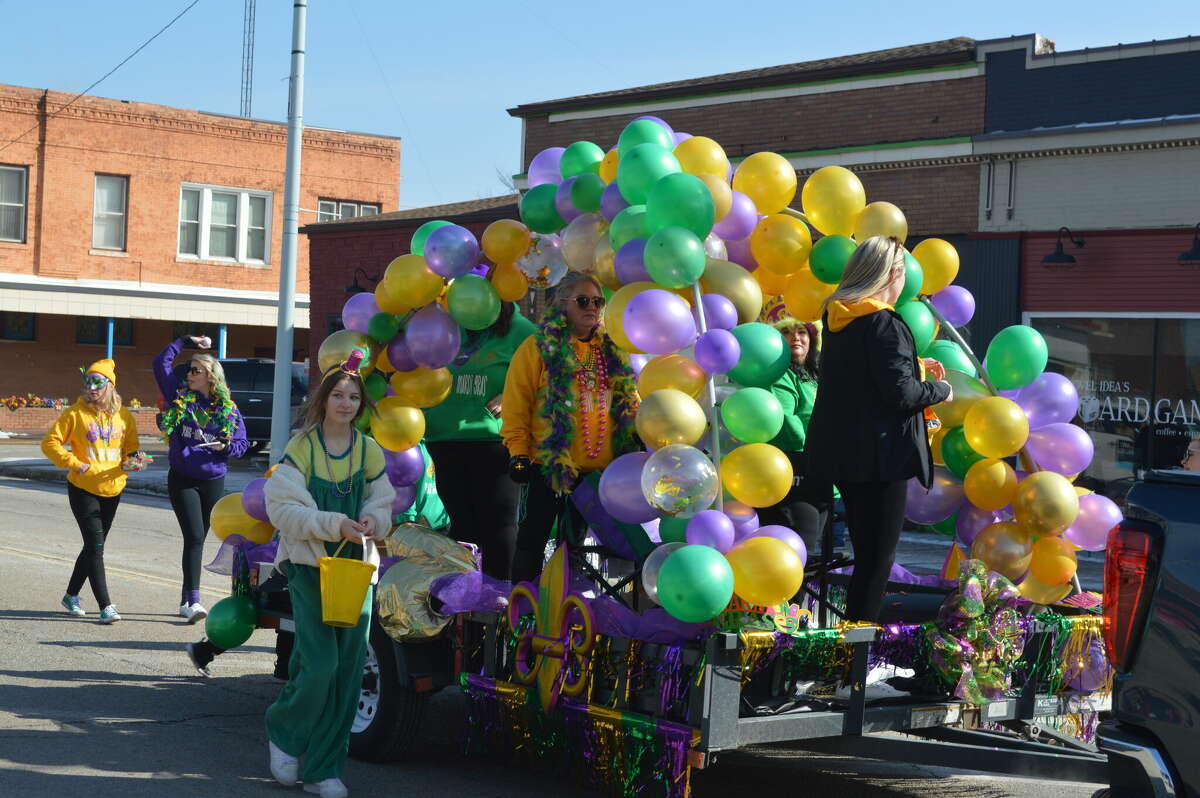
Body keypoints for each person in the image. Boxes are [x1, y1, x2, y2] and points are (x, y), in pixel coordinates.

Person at [261, 350, 394, 798]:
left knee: (348, 671)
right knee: (320, 666)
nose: (345, 403)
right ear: (323, 399)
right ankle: (284, 733)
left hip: (356, 572)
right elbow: (283, 509)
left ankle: (322, 768)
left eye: (353, 396)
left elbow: (382, 499)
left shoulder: (369, 450)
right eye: (338, 394)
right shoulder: (301, 448)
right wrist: (332, 523)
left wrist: (375, 520)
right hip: (307, 568)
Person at [805, 236, 954, 623]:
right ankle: (853, 658)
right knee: (877, 562)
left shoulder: (838, 318)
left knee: (865, 554)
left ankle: (847, 655)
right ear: (894, 273)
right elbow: (900, 394)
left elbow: (864, 378)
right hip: (882, 459)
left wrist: (915, 365)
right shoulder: (885, 323)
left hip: (844, 455)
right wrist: (941, 389)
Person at [502, 272, 640, 583]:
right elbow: (516, 404)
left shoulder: (612, 350)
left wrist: (639, 434)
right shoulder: (538, 347)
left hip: (597, 473)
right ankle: (524, 610)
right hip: (547, 466)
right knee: (533, 540)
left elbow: (631, 403)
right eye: (583, 301)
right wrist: (519, 452)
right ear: (562, 305)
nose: (592, 307)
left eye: (598, 301)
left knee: (580, 549)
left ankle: (575, 609)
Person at [424, 300, 536, 579]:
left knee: (500, 525)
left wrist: (514, 394)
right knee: (462, 527)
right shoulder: (444, 324)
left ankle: (498, 604)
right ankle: (465, 608)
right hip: (445, 439)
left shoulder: (520, 329)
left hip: (496, 442)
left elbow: (549, 374)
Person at [155, 335, 249, 623]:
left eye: (195, 370)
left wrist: (225, 447)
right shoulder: (180, 398)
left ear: (210, 377)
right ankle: (194, 601)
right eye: (189, 369)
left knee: (200, 538)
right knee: (194, 536)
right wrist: (185, 341)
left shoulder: (228, 410)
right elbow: (161, 363)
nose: (189, 374)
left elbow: (242, 444)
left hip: (213, 480)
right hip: (183, 477)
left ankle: (186, 599)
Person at [43, 359, 141, 624]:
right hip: (82, 488)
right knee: (96, 548)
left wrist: (134, 461)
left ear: (110, 385)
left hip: (113, 488)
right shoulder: (75, 414)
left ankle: (71, 595)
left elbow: (131, 448)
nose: (91, 387)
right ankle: (106, 606)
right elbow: (49, 443)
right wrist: (73, 463)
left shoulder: (124, 416)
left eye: (97, 382)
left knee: (93, 546)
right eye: (88, 382)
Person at [756, 299, 833, 558]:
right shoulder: (779, 374)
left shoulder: (816, 374)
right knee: (797, 552)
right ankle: (790, 600)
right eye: (786, 332)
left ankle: (798, 600)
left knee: (807, 555)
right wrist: (816, 452)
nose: (795, 338)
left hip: (818, 473)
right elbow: (786, 422)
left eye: (802, 331)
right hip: (794, 470)